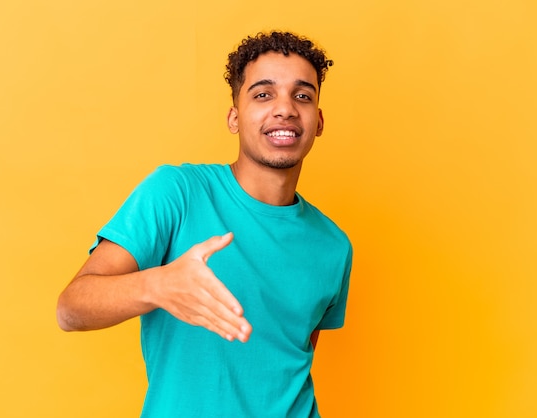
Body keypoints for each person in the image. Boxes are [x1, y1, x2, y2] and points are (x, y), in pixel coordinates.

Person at [57, 30, 353, 417]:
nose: (285, 109)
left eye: (303, 95)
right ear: (234, 117)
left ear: (318, 121)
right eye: (263, 94)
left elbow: (292, 359)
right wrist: (157, 285)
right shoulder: (176, 192)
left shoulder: (333, 245)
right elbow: (71, 309)